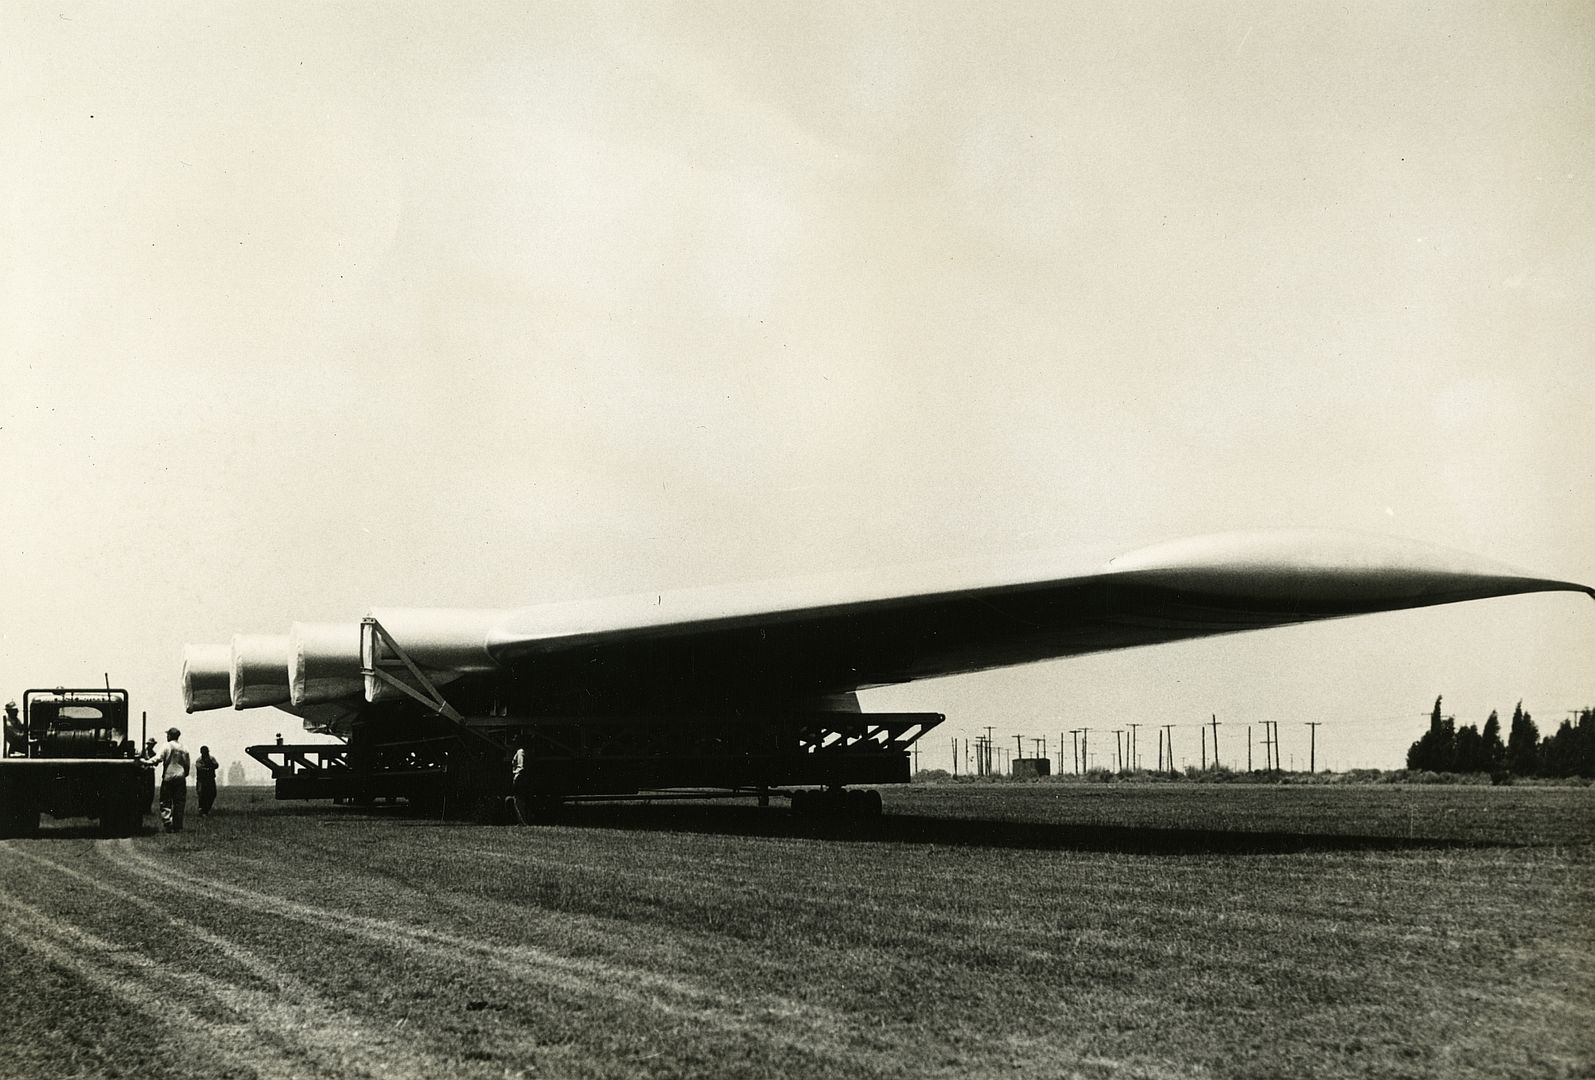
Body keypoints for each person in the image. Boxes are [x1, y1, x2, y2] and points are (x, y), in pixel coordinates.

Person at [151, 727, 192, 833]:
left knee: (165, 801)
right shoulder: (184, 748)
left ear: (169, 735)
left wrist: (148, 762)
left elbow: (158, 758)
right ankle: (177, 825)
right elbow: (187, 764)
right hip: (180, 777)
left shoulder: (167, 745)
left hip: (168, 777)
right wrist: (184, 774)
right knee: (179, 802)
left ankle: (168, 822)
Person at [196, 745, 219, 816]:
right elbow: (201, 769)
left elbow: (216, 765)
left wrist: (208, 768)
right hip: (202, 780)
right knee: (202, 795)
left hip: (210, 779)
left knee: (212, 794)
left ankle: (205, 809)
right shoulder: (199, 760)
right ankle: (203, 810)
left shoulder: (211, 758)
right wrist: (210, 768)